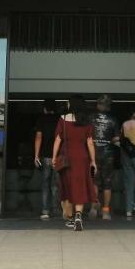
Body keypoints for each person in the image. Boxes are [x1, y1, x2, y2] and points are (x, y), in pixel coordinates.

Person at [52, 94, 97, 231]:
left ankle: (71, 217)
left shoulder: (63, 119)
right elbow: (90, 142)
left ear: (72, 104)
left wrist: (54, 157)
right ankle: (78, 216)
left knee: (69, 187)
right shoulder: (86, 120)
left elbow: (58, 139)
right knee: (80, 186)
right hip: (82, 157)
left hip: (67, 158)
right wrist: (93, 161)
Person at [90, 94, 119, 220]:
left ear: (98, 105)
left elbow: (87, 137)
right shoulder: (113, 120)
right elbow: (117, 139)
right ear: (108, 106)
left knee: (94, 181)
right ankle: (106, 211)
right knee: (107, 182)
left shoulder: (91, 118)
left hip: (94, 154)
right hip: (108, 154)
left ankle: (94, 208)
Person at [34, 98, 60, 220]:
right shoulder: (60, 119)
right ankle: (56, 210)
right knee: (56, 184)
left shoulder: (41, 119)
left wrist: (36, 155)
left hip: (45, 156)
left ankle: (45, 210)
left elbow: (39, 137)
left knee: (45, 183)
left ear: (45, 108)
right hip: (58, 156)